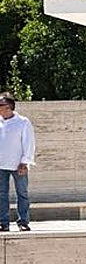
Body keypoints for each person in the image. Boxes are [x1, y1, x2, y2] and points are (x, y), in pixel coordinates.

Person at [0, 93, 36, 232]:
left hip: (18, 165)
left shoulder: (23, 122)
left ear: (8, 107)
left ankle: (23, 222)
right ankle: (3, 223)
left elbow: (29, 143)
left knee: (22, 193)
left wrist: (25, 162)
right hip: (1, 165)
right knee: (1, 194)